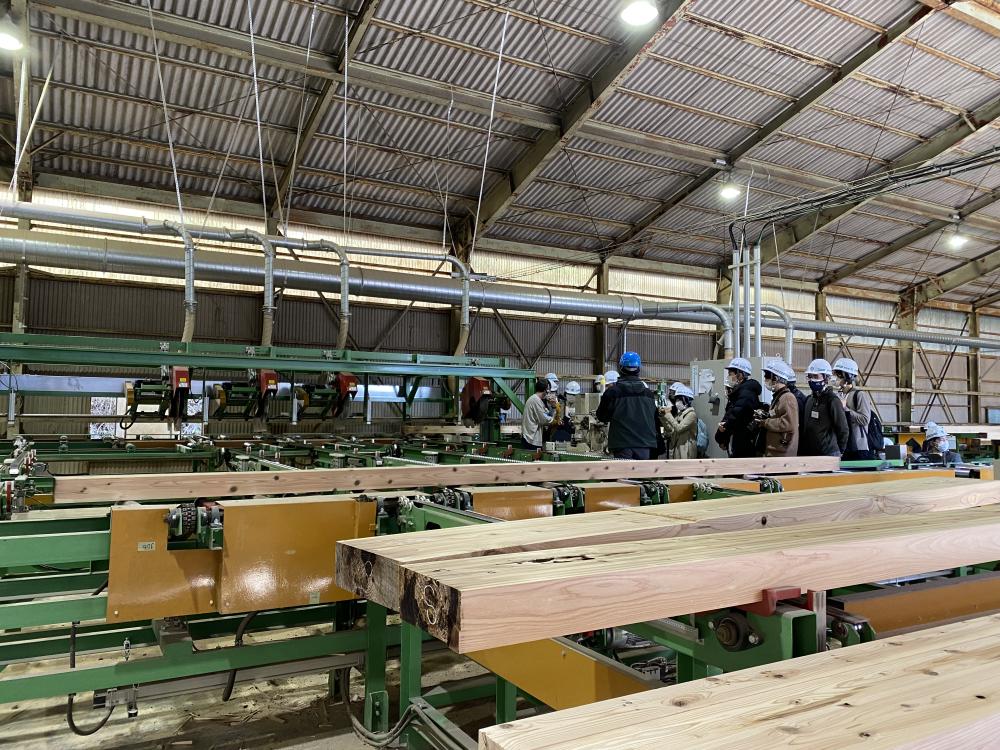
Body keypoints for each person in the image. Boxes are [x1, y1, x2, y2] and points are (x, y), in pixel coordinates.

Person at [596, 352, 658, 459]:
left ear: (621, 368)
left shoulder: (612, 392)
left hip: (622, 444)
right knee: (640, 470)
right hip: (644, 444)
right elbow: (654, 417)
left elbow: (602, 416)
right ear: (638, 369)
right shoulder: (649, 394)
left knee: (623, 470)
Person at [800, 358, 848, 457]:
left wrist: (840, 450)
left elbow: (843, 428)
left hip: (828, 453)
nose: (812, 380)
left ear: (826, 378)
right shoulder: (809, 400)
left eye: (815, 376)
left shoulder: (832, 400)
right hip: (810, 453)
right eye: (810, 376)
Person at [715, 357, 762, 458]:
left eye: (731, 374)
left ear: (740, 374)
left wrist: (721, 434)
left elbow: (735, 415)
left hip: (744, 441)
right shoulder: (740, 392)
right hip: (739, 439)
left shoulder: (746, 393)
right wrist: (723, 437)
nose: (728, 377)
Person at [756, 358, 799, 457]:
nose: (765, 380)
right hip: (775, 451)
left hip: (782, 454)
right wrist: (765, 415)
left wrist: (765, 422)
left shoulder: (787, 398)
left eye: (767, 376)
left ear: (775, 378)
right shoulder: (779, 397)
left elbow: (788, 423)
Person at [833, 357, 874, 460]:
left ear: (848, 376)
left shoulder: (859, 395)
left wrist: (846, 409)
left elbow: (865, 419)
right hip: (843, 446)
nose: (836, 378)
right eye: (836, 374)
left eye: (839, 375)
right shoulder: (838, 395)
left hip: (858, 448)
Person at [659, 384, 697, 459]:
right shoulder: (680, 414)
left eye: (679, 399)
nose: (677, 402)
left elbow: (679, 428)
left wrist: (668, 414)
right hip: (677, 447)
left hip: (686, 449)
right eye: (676, 400)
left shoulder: (691, 414)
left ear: (686, 400)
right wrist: (663, 417)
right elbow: (671, 430)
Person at [521, 378, 557, 450]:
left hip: (532, 438)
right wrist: (555, 420)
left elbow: (546, 414)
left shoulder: (537, 400)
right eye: (549, 391)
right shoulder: (535, 400)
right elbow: (544, 419)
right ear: (546, 390)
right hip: (531, 439)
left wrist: (552, 406)